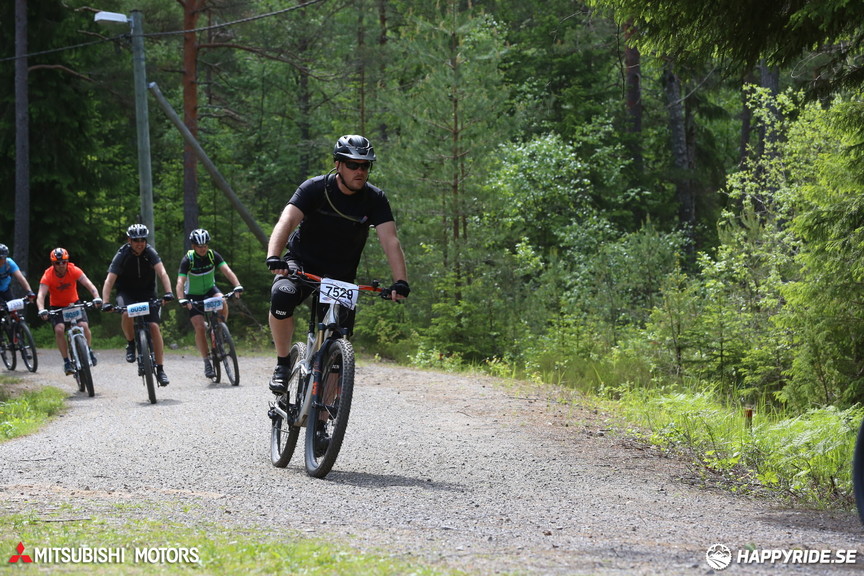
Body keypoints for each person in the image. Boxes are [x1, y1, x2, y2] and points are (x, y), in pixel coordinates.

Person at [266, 134, 410, 394]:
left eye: (365, 165)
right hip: (302, 263)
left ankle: (325, 416)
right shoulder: (314, 188)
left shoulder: (375, 199)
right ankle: (283, 364)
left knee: (336, 348)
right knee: (282, 294)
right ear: (338, 164)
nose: (360, 171)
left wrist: (400, 281)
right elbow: (286, 221)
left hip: (340, 275)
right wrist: (274, 256)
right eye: (353, 164)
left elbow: (390, 240)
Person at [101, 224, 175, 386]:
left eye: (142, 240)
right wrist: (105, 302)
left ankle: (160, 369)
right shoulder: (122, 254)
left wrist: (168, 292)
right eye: (136, 240)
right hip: (126, 293)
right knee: (126, 313)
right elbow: (109, 280)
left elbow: (162, 272)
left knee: (154, 327)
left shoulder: (150, 252)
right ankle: (131, 343)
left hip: (147, 293)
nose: (140, 243)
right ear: (129, 240)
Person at [176, 228, 244, 379]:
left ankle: (220, 329)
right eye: (200, 246)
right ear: (193, 246)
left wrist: (237, 285)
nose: (203, 249)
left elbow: (227, 271)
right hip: (193, 295)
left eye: (205, 246)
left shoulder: (213, 255)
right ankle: (207, 361)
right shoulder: (188, 260)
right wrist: (182, 299)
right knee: (200, 327)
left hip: (209, 290)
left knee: (223, 300)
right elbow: (180, 282)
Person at [35, 248, 102, 375]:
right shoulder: (48, 275)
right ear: (53, 263)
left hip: (74, 304)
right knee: (59, 330)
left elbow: (89, 284)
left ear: (67, 261)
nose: (61, 265)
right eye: (57, 263)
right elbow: (41, 295)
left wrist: (96, 297)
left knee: (84, 326)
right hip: (57, 307)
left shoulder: (74, 270)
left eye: (64, 262)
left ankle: (88, 350)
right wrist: (41, 309)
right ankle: (67, 361)